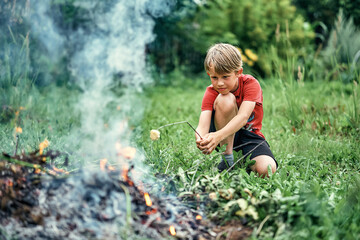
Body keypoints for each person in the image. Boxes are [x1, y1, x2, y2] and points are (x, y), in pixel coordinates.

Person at [195, 43, 277, 177]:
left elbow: (243, 117)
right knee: (225, 99)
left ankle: (241, 160)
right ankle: (227, 161)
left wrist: (217, 135)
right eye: (214, 77)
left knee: (267, 170)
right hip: (223, 138)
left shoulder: (250, 84)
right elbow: (202, 125)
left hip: (249, 137)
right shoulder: (211, 91)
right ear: (209, 74)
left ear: (238, 72)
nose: (219, 83)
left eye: (225, 77)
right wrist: (201, 139)